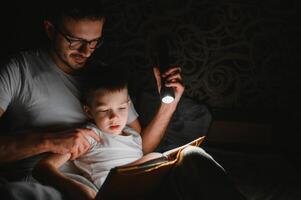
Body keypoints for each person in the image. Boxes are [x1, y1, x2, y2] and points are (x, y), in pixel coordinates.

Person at [0, 2, 245, 200]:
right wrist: (51, 141)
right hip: (54, 186)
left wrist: (169, 105)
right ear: (50, 30)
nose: (87, 52)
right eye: (75, 41)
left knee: (193, 156)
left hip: (120, 184)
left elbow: (140, 147)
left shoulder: (105, 78)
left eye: (94, 42)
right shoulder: (18, 70)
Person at [32, 65, 166, 200]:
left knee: (166, 158)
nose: (114, 117)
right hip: (112, 194)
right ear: (89, 112)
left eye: (121, 108)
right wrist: (79, 189)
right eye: (104, 110)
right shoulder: (89, 136)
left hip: (144, 190)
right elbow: (42, 168)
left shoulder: (135, 136)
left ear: (128, 106)